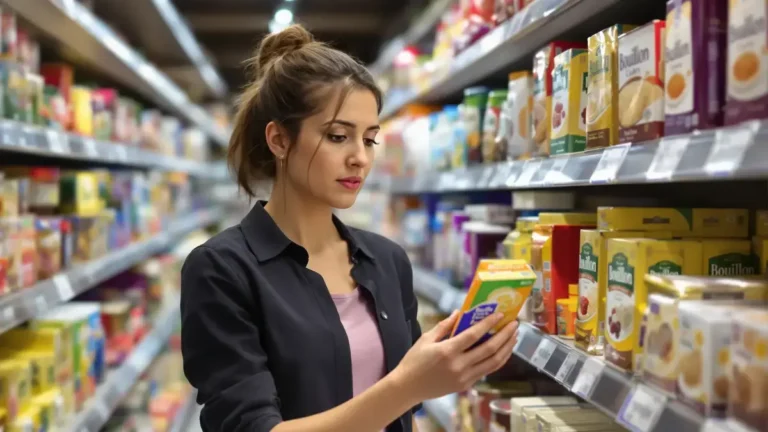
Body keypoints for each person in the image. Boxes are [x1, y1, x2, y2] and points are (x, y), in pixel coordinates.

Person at [180, 24, 520, 432]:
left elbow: (399, 415)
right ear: (279, 140)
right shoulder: (221, 270)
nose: (360, 158)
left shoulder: (387, 261)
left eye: (370, 139)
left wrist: (449, 363)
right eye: (338, 136)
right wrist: (409, 386)